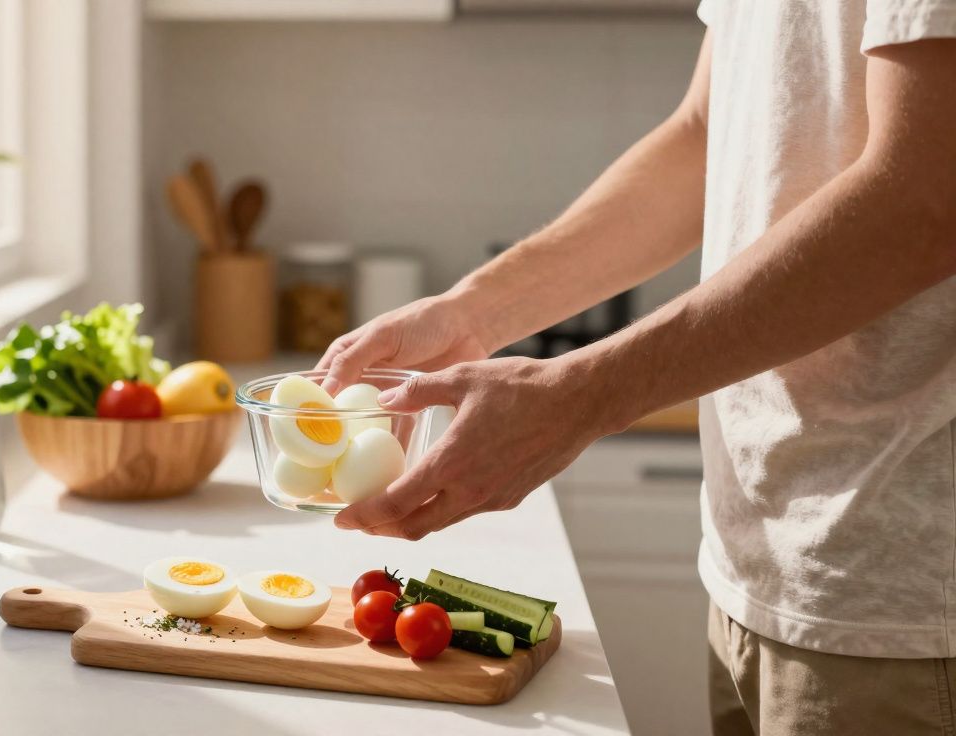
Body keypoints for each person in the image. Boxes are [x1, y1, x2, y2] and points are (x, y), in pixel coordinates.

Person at [317, 2, 956, 733]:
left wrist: (583, 395)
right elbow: (703, 134)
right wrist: (473, 316)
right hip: (759, 565)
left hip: (902, 597)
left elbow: (926, 199)